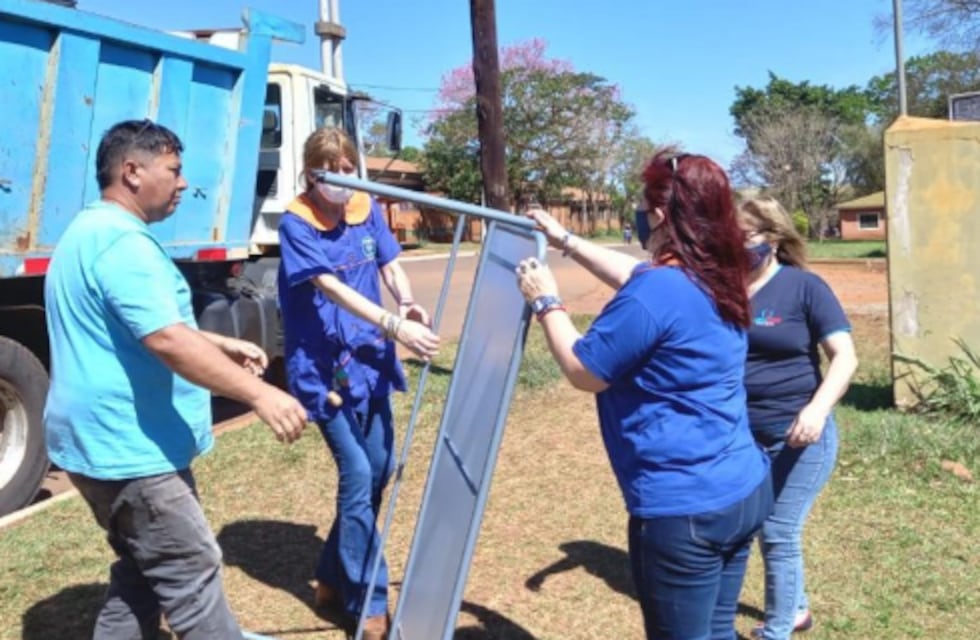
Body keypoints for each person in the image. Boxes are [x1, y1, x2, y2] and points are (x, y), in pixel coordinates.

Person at [43, 119, 309, 639]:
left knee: (143, 572)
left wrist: (219, 343)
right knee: (192, 574)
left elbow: (137, 324)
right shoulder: (124, 244)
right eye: (174, 169)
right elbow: (166, 339)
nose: (184, 183)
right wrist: (260, 394)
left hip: (96, 444)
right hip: (131, 451)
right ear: (132, 171)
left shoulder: (89, 231)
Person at [515, 151, 772, 640]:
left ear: (658, 215)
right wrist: (566, 239)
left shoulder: (659, 291)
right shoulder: (718, 272)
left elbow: (585, 371)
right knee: (718, 630)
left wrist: (546, 301)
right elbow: (635, 274)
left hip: (685, 510)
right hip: (743, 487)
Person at [277, 127, 439, 640]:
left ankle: (330, 574)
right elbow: (328, 285)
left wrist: (406, 302)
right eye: (332, 170)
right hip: (322, 368)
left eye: (349, 168)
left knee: (380, 468)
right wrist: (393, 324)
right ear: (311, 173)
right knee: (357, 472)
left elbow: (388, 262)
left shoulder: (364, 208)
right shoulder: (296, 222)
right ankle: (370, 601)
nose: (343, 178)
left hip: (369, 358)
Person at [737, 197, 857, 639]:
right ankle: (797, 608)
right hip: (743, 436)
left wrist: (816, 409)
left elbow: (845, 357)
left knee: (777, 530)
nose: (736, 244)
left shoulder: (805, 287)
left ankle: (778, 630)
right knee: (755, 525)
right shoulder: (726, 289)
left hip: (800, 436)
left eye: (745, 236)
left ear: (772, 239)